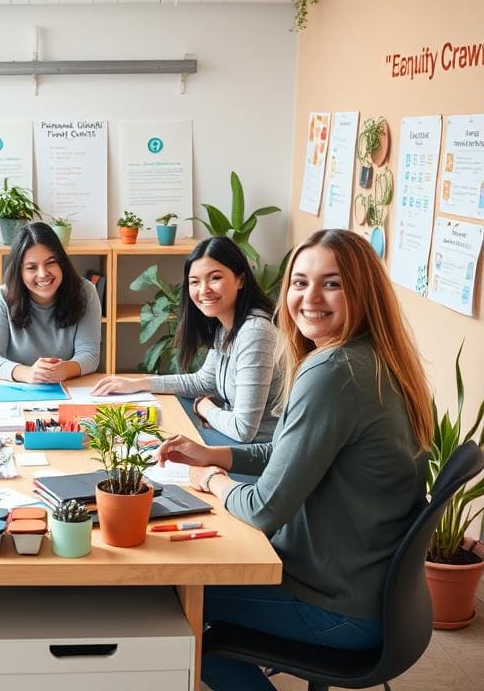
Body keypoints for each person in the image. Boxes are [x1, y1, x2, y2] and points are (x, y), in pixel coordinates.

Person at [157, 229, 433, 691]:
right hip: (372, 592)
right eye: (299, 282)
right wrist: (214, 452)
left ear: (362, 290)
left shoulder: (333, 372)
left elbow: (264, 509)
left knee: (168, 601)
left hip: (337, 606)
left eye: (332, 283)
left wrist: (211, 480)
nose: (309, 298)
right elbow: (285, 452)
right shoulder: (374, 358)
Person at [91, 236, 282, 445]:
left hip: (260, 453)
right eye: (194, 282)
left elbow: (243, 429)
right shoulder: (225, 325)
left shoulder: (255, 332)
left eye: (215, 278)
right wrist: (138, 384)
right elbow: (203, 382)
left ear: (241, 280)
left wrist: (205, 408)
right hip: (235, 443)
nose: (204, 290)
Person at [0, 222, 101, 382]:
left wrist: (63, 370)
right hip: (17, 389)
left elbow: (90, 354)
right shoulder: (2, 298)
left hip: (67, 386)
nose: (43, 274)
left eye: (51, 262)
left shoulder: (85, 292)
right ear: (20, 272)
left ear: (62, 263)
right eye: (31, 267)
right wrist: (29, 373)